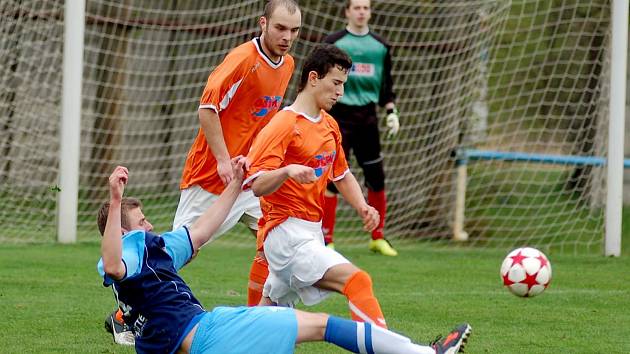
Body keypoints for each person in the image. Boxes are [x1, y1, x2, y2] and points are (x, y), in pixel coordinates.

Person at [97, 161, 472, 354]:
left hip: (207, 334)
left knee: (312, 324)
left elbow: (203, 229)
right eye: (142, 221)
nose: (150, 224)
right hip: (214, 335)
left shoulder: (156, 251)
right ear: (126, 231)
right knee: (322, 325)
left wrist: (234, 187)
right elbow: (114, 264)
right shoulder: (132, 247)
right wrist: (116, 202)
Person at [103, 0, 302, 343]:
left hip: (248, 175)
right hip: (211, 176)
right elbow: (207, 109)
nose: (287, 37)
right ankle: (126, 315)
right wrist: (224, 160)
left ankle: (260, 325)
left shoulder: (287, 64)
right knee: (170, 255)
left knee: (284, 235)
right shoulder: (242, 61)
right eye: (280, 28)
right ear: (262, 24)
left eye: (294, 30)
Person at [244, 44, 393, 331]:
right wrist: (286, 171)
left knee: (261, 325)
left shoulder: (329, 125)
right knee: (357, 280)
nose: (340, 92)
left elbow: (342, 174)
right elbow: (256, 184)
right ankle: (392, 348)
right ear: (313, 78)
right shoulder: (283, 124)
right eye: (335, 83)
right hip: (286, 234)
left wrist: (363, 206)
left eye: (343, 85)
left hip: (310, 232)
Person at [321, 0, 400, 256]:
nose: (361, 12)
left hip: (368, 118)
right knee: (332, 177)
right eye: (357, 7)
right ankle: (326, 238)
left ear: (370, 11)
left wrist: (391, 111)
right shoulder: (333, 42)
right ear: (347, 11)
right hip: (339, 116)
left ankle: (378, 237)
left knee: (376, 178)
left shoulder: (381, 46)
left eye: (365, 7)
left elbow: (387, 85)